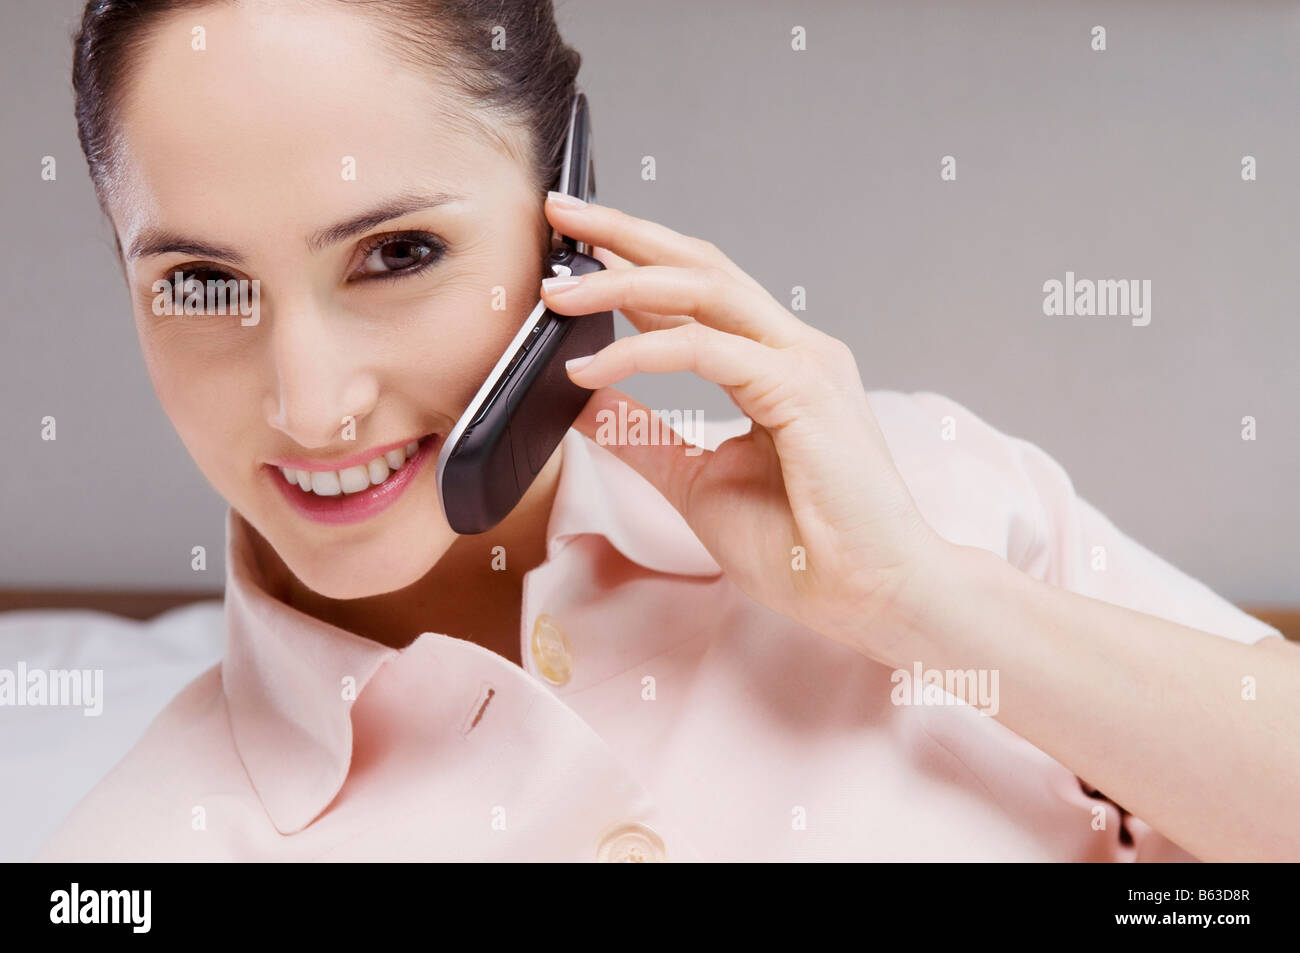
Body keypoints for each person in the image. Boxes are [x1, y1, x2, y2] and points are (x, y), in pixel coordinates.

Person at [36, 0, 1298, 862]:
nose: (311, 405)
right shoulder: (134, 854)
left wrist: (914, 602)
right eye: (202, 284)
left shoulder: (938, 500)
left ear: (565, 217)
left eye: (397, 253)